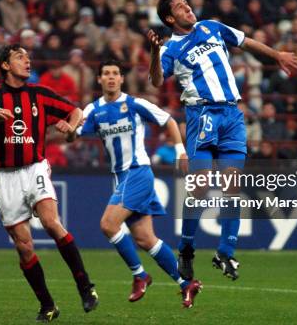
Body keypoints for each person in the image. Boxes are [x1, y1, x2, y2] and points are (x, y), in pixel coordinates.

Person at [148, 0, 297, 281]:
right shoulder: (171, 49)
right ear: (170, 18)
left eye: (186, 3)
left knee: (233, 185)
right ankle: (186, 249)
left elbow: (246, 41)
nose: (187, 7)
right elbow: (156, 80)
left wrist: (277, 55)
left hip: (231, 115)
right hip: (201, 116)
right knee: (201, 186)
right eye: (180, 6)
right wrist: (155, 53)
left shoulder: (212, 27)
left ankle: (226, 251)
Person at [0, 44, 98, 322]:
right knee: (24, 246)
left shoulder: (39, 94)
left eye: (28, 57)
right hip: (5, 176)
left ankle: (86, 288)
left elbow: (75, 112)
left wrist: (71, 129)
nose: (27, 61)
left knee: (51, 222)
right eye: (19, 57)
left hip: (34, 167)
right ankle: (48, 304)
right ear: (5, 65)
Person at [71, 59, 202, 308]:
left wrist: (180, 151)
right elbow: (73, 133)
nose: (111, 77)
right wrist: (66, 129)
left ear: (122, 79)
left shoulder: (134, 104)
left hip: (138, 172)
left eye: (115, 74)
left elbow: (169, 121)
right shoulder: (92, 110)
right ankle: (187, 284)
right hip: (122, 177)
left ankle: (140, 275)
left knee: (108, 225)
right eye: (106, 74)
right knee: (145, 239)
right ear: (99, 79)